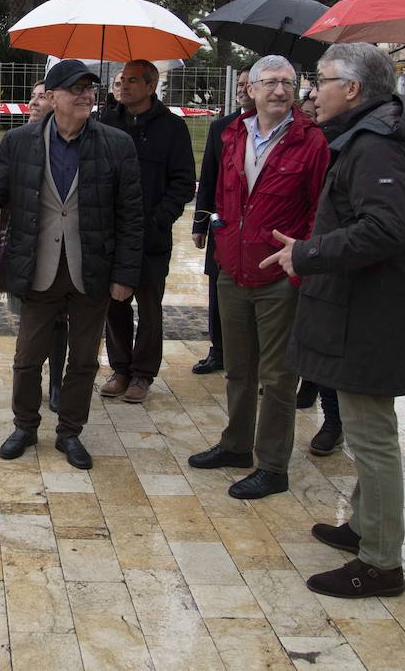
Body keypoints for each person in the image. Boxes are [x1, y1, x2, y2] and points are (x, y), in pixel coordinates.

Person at [261, 43, 405, 599]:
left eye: (321, 81)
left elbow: (385, 230)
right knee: (365, 429)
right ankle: (363, 526)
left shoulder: (375, 144)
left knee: (371, 438)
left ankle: (379, 562)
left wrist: (306, 253)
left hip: (368, 319)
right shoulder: (377, 137)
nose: (311, 92)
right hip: (368, 310)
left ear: (352, 89)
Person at [0, 59, 143, 470]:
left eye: (91, 89)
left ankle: (70, 431)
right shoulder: (20, 142)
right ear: (52, 97)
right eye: (76, 89)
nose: (87, 96)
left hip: (91, 270)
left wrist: (125, 274)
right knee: (28, 356)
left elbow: (131, 215)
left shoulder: (116, 144)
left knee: (85, 359)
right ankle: (24, 425)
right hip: (37, 267)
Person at [187, 57, 328, 499]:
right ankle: (235, 445)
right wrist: (217, 237)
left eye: (288, 82)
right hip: (233, 270)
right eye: (270, 82)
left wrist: (299, 260)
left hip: (278, 276)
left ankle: (272, 466)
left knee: (278, 377)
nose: (280, 90)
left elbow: (320, 210)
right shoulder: (232, 134)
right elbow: (221, 194)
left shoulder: (312, 142)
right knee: (238, 369)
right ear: (251, 90)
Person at [97, 60, 195, 402]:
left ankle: (143, 373)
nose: (123, 86)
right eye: (121, 80)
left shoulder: (172, 128)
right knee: (113, 302)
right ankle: (120, 368)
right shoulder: (105, 122)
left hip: (151, 236)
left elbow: (183, 182)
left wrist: (159, 218)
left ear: (151, 86)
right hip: (112, 234)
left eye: (132, 81)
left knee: (149, 306)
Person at [0, 80, 69, 411]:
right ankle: (29, 385)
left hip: (59, 251)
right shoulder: (16, 142)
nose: (35, 102)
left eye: (42, 97)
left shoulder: (72, 144)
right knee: (28, 323)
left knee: (58, 322)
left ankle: (56, 383)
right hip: (22, 243)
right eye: (33, 97)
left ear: (55, 101)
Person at [190, 69, 253, 375]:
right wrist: (200, 224)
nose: (242, 89)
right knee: (218, 286)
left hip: (260, 228)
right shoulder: (221, 127)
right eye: (239, 84)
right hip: (223, 225)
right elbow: (210, 177)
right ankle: (219, 349)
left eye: (247, 84)